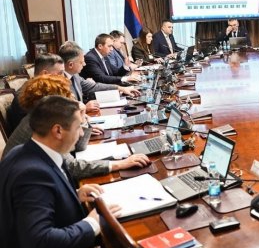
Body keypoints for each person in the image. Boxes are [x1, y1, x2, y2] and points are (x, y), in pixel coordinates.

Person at [0, 95, 121, 248]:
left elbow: (34, 205)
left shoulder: (24, 152)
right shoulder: (33, 174)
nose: (82, 133)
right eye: (79, 126)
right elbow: (39, 243)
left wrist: (73, 195)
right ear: (58, 131)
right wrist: (92, 223)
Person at [2, 75, 150, 178]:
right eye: (66, 97)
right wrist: (119, 164)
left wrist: (80, 120)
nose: (71, 99)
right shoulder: (42, 125)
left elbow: (78, 146)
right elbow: (72, 167)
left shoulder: (40, 117)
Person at [60, 41, 139, 108]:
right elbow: (64, 111)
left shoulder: (75, 76)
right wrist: (85, 108)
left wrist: (121, 88)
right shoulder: (58, 83)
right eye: (81, 62)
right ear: (70, 65)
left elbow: (94, 86)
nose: (84, 64)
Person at [5, 53, 65, 135]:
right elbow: (43, 131)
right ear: (45, 74)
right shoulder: (29, 98)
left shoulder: (47, 89)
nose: (64, 77)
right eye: (60, 73)